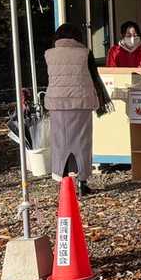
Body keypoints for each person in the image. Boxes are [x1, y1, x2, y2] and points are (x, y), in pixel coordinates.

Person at [45, 23, 112, 193]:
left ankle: (64, 183)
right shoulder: (85, 53)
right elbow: (94, 77)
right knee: (82, 143)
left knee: (60, 143)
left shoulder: (49, 54)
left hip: (56, 104)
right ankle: (82, 183)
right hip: (80, 103)